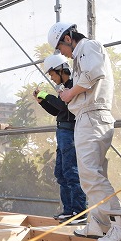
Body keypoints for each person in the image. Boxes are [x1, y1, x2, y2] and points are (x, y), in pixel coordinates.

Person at [49, 21, 121, 241]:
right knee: (91, 174)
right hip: (88, 117)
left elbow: (93, 74)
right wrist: (71, 94)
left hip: (93, 117)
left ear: (68, 38)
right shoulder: (82, 55)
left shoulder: (88, 47)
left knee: (90, 175)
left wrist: (70, 93)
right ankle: (99, 223)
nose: (64, 55)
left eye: (61, 49)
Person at [35, 53, 87, 224]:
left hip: (70, 133)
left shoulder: (72, 86)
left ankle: (80, 212)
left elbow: (64, 106)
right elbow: (58, 112)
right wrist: (42, 101)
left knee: (71, 172)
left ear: (60, 70)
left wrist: (45, 94)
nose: (51, 77)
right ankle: (69, 210)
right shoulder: (65, 86)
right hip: (62, 132)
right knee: (61, 173)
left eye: (52, 74)